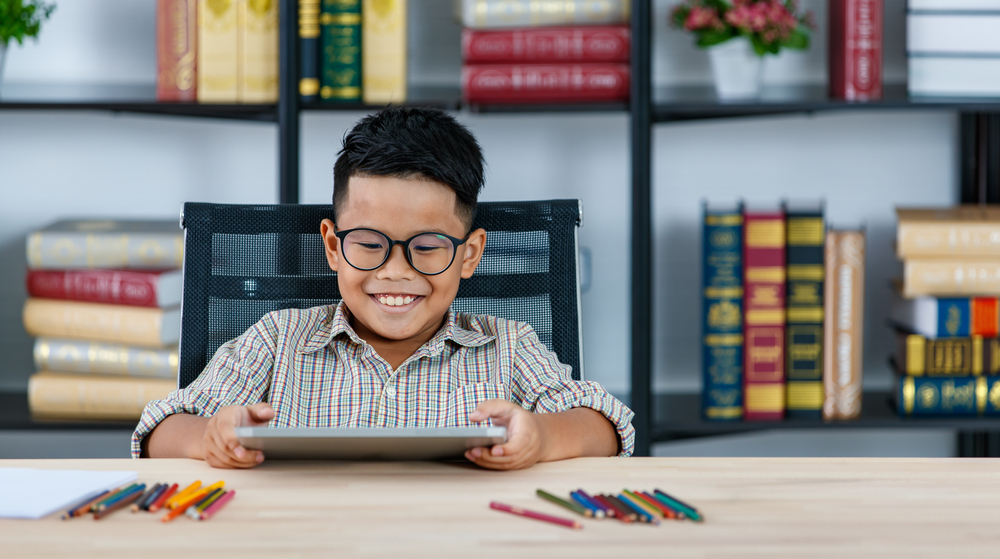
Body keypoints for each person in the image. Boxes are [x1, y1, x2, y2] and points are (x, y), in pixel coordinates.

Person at [133, 107, 635, 469]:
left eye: (428, 246)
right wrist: (211, 438)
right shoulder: (275, 340)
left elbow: (608, 427)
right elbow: (159, 430)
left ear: (470, 254)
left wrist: (542, 437)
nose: (396, 271)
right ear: (332, 246)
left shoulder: (508, 347)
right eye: (370, 244)